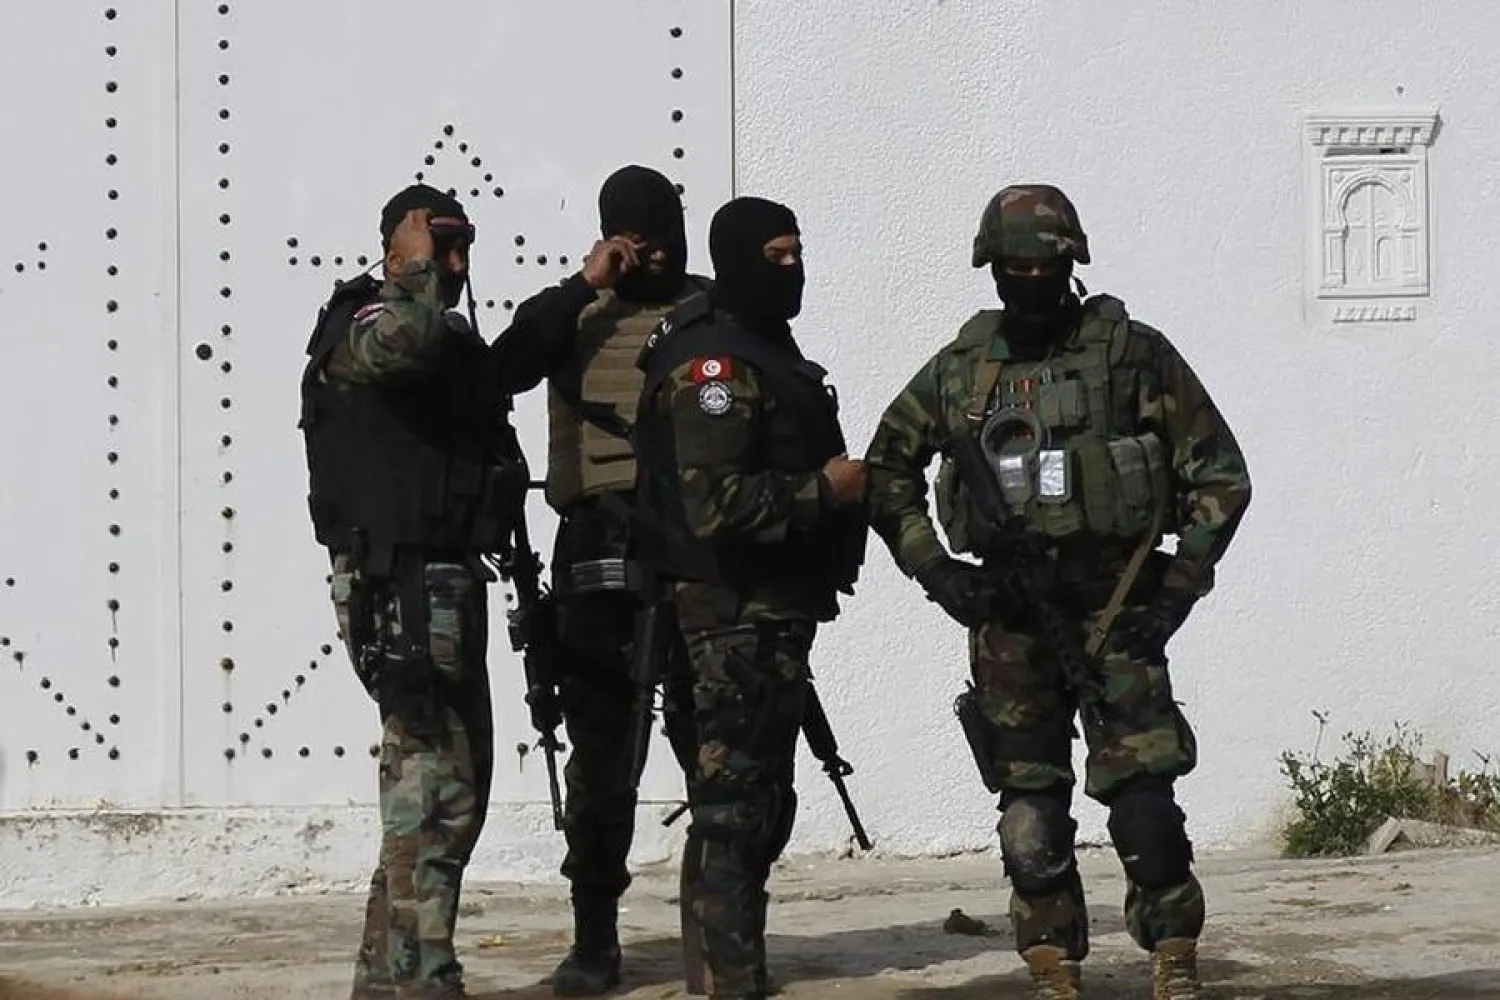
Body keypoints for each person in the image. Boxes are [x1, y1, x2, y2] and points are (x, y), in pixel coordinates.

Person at [863, 184, 1252, 1000]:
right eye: (1013, 268)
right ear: (993, 270)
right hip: (1009, 622)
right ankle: (1051, 960)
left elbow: (1221, 475)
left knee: (1145, 809)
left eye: (1045, 266)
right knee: (1029, 816)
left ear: (1071, 263)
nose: (1029, 281)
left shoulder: (1132, 355)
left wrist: (1176, 591)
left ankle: (1173, 951)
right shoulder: (965, 371)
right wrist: (939, 574)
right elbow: (886, 468)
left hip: (1118, 613)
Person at [628, 195, 868, 1000]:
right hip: (730, 616)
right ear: (736, 260)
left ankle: (718, 967)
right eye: (776, 256)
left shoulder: (761, 347)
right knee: (737, 808)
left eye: (798, 252)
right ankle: (730, 977)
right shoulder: (716, 370)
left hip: (764, 616)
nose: (794, 268)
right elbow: (713, 507)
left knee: (750, 802)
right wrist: (824, 492)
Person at [299, 183, 528, 1000]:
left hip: (444, 581)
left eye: (466, 247)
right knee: (432, 789)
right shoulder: (367, 321)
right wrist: (422, 269)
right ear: (398, 246)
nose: (458, 265)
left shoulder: (446, 338)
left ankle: (384, 974)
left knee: (447, 788)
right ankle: (425, 979)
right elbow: (405, 344)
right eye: (442, 245)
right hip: (398, 583)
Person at [488, 164, 708, 996]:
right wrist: (584, 284)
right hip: (598, 544)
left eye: (660, 231)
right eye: (634, 232)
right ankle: (594, 939)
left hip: (692, 540)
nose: (649, 248)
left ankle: (716, 932)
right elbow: (501, 371)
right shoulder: (572, 313)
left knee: (711, 739)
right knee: (603, 750)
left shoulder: (711, 309)